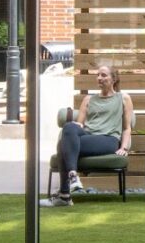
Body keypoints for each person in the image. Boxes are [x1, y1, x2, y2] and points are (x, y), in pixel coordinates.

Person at [45, 63, 133, 203]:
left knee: (63, 144)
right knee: (68, 127)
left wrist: (124, 147)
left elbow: (127, 127)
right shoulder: (88, 99)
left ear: (114, 78)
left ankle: (64, 195)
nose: (99, 78)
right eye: (97, 75)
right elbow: (79, 124)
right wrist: (73, 129)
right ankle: (73, 176)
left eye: (103, 75)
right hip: (88, 136)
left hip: (108, 140)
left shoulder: (123, 98)